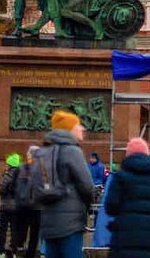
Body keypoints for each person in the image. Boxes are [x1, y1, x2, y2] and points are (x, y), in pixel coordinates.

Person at [37, 110, 95, 258]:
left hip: (48, 222)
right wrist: (88, 205)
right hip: (70, 223)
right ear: (69, 129)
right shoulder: (72, 150)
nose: (82, 128)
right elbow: (87, 186)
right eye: (78, 125)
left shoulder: (43, 151)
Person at [104, 138, 150, 258]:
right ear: (148, 153)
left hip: (124, 235)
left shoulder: (120, 177)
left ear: (128, 154)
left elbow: (111, 207)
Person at [12, 147, 41, 258]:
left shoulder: (22, 168)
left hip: (29, 206)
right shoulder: (39, 169)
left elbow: (12, 186)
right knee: (28, 232)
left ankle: (24, 251)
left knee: (27, 231)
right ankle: (25, 252)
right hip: (30, 206)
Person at [0, 153, 22, 258]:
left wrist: (1, 192)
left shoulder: (8, 175)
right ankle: (13, 252)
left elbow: (2, 189)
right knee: (14, 230)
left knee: (3, 229)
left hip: (6, 206)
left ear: (10, 164)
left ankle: (1, 252)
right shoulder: (21, 175)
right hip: (16, 207)